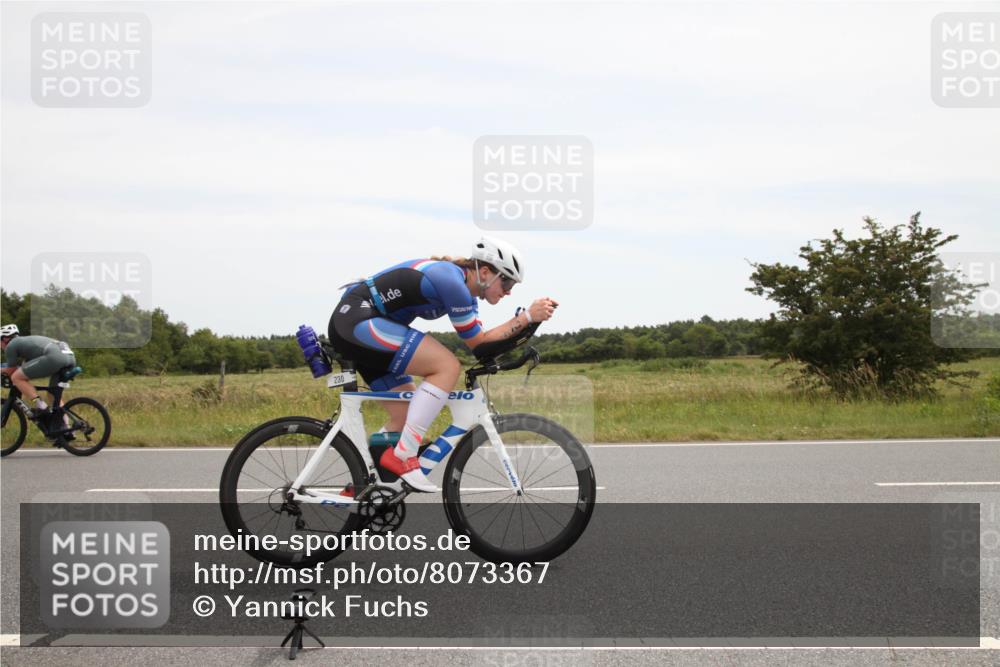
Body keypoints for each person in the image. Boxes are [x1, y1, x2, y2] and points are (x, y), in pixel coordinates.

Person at [328, 236, 557, 492]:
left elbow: (484, 345)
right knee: (447, 366)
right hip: (358, 322)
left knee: (405, 414)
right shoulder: (452, 282)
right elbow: (479, 344)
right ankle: (404, 455)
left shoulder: (466, 295)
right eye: (507, 282)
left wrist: (527, 322)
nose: (509, 291)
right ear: (485, 272)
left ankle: (365, 484)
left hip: (364, 327)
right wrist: (526, 317)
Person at [1, 324, 76, 421]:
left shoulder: (11, 345)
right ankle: (66, 427)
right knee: (53, 396)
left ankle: (41, 406)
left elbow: (11, 371)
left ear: (4, 339)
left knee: (16, 377)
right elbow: (24, 369)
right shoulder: (27, 343)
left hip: (55, 357)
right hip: (70, 357)